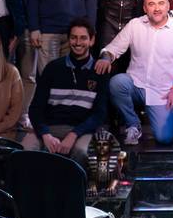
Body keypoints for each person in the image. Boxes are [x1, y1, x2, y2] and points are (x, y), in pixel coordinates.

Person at [96, 0, 173, 145]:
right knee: (117, 83)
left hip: (162, 92)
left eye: (161, 3)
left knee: (165, 138)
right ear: (144, 8)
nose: (157, 8)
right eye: (151, 4)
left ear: (168, 6)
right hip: (135, 84)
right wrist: (106, 58)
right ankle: (133, 125)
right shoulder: (135, 25)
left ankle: (169, 118)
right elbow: (114, 48)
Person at [23, 19, 109, 165]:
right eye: (74, 37)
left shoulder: (99, 71)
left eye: (83, 38)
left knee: (82, 152)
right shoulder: (53, 68)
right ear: (69, 40)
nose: (78, 42)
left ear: (92, 40)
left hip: (81, 130)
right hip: (49, 128)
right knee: (25, 151)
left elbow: (99, 114)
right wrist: (45, 134)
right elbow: (35, 108)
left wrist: (74, 134)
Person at [8, 0, 38, 129]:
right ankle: (5, 114)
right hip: (7, 25)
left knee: (29, 74)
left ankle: (23, 114)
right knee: (5, 73)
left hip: (29, 25)